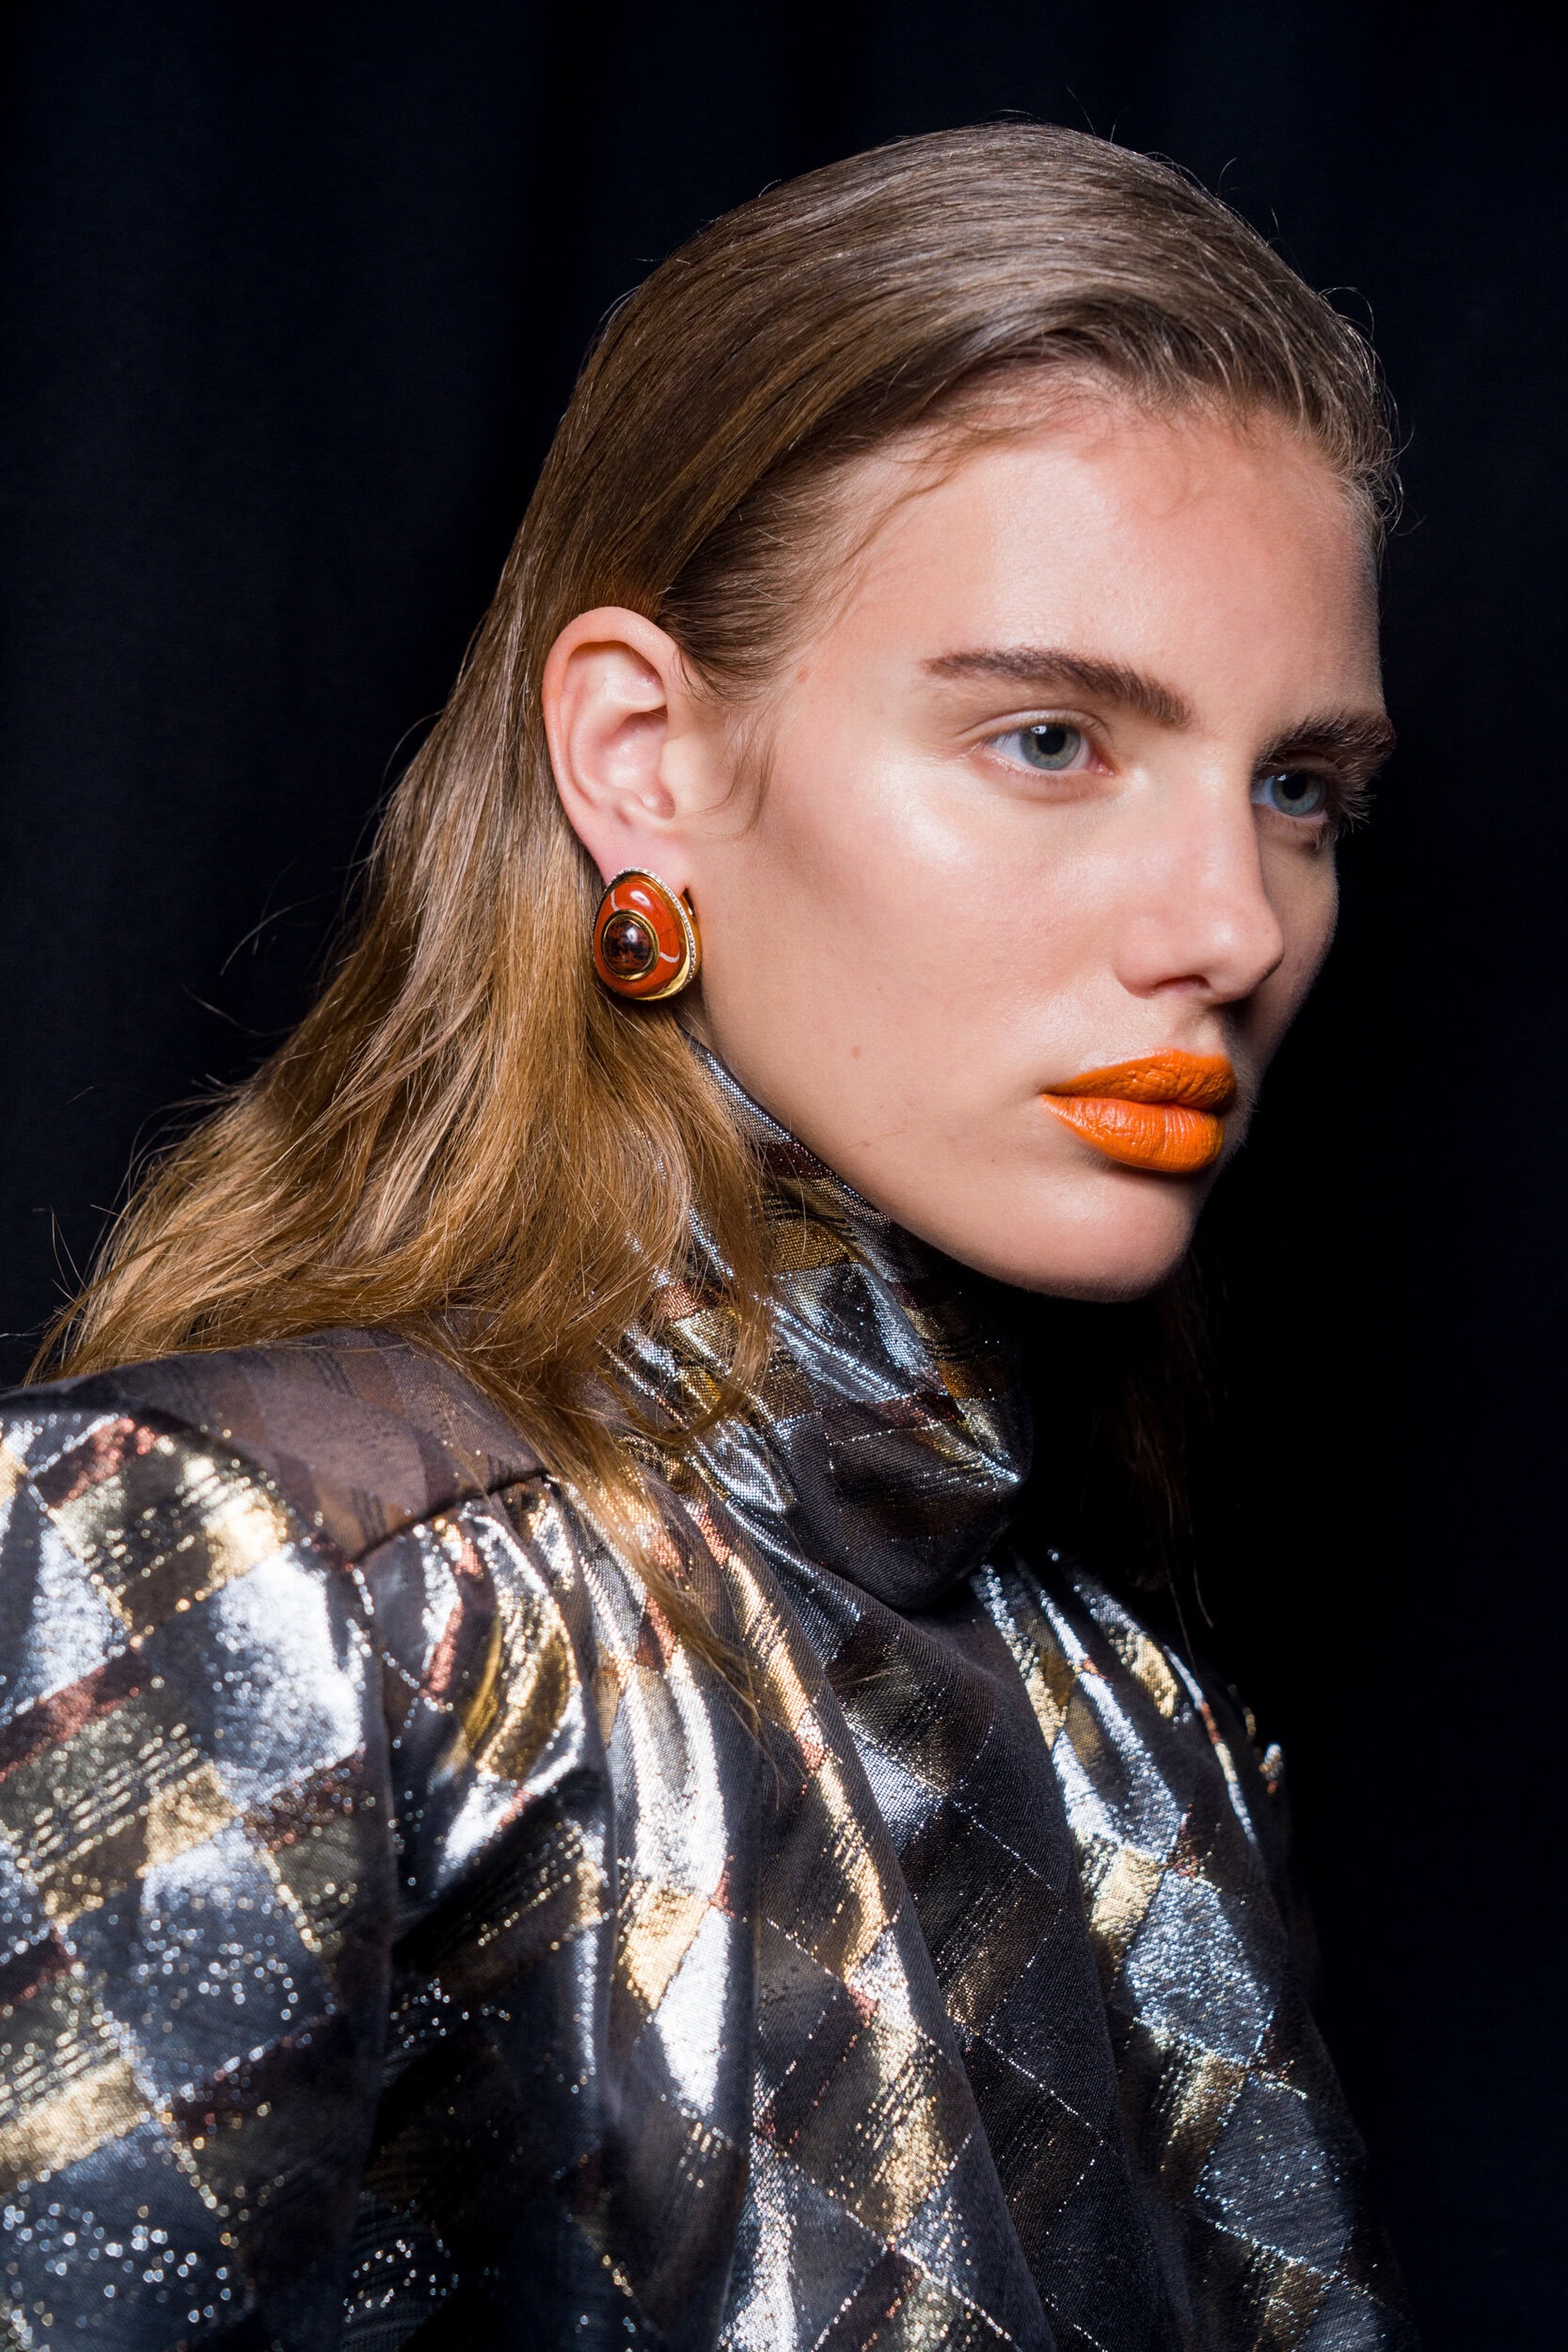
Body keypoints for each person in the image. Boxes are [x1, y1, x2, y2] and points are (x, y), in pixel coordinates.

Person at [0, 123, 1415, 2350]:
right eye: (1052, 738)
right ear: (644, 756)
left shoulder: (1132, 1708)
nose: (1233, 925)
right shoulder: (253, 1565)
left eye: (1297, 785)